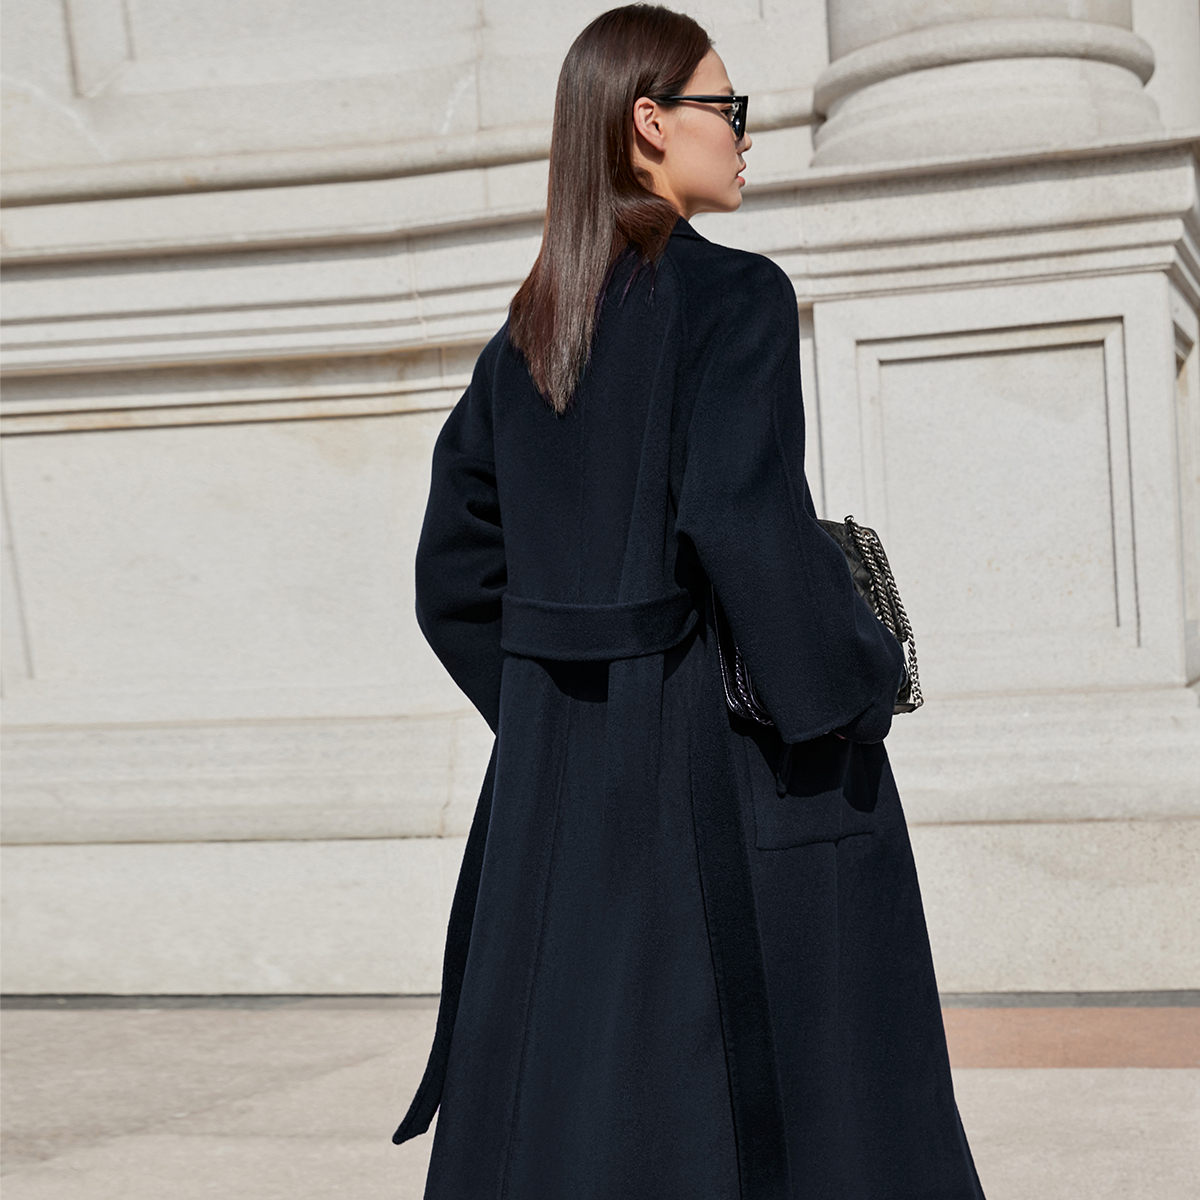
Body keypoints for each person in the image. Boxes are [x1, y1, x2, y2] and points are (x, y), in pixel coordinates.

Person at [393, 5, 986, 1197]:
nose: (746, 134)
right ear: (651, 122)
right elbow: (741, 520)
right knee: (792, 1077)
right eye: (728, 107)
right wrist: (851, 687)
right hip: (718, 784)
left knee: (583, 1082)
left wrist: (560, 715)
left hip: (555, 799)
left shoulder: (527, 334)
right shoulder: (734, 296)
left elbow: (453, 575)